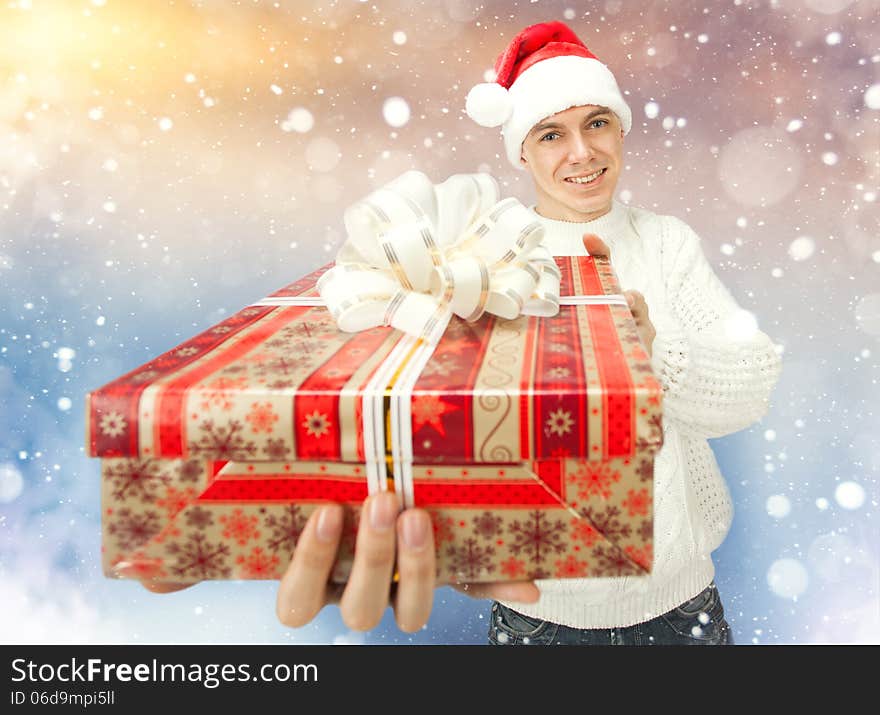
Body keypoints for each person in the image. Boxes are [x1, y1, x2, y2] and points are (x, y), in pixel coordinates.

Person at [143, 20, 783, 645]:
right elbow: (435, 405)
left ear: (621, 129)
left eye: (596, 123)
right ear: (522, 152)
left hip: (679, 604)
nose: (581, 152)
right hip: (537, 614)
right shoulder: (484, 248)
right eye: (551, 133)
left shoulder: (666, 244)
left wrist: (652, 355)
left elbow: (748, 390)